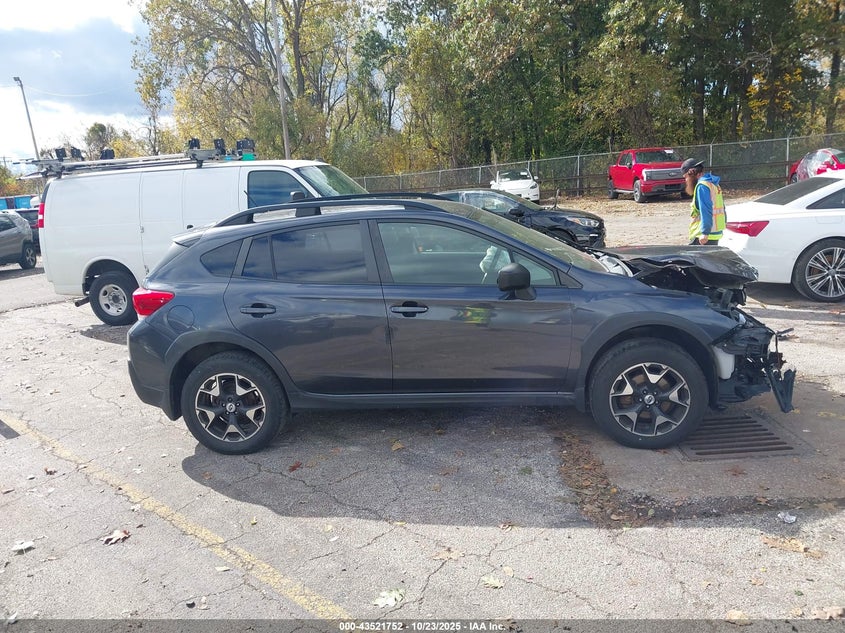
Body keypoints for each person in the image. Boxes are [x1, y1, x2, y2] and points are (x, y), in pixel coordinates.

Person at [682, 158, 726, 245]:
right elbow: (722, 207)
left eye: (685, 177)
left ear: (691, 173)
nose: (686, 180)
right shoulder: (713, 184)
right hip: (715, 233)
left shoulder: (702, 186)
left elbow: (706, 209)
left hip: (703, 236)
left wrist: (705, 233)